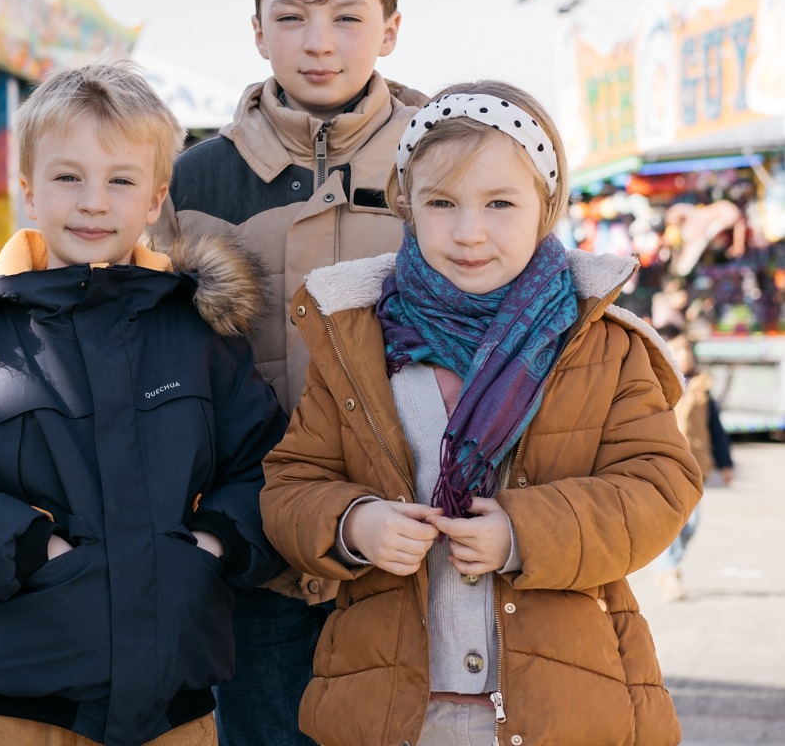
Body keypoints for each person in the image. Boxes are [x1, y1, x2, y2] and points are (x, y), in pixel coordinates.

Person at [259, 80, 703, 745]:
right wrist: (354, 524)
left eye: (499, 203)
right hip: (392, 710)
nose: (469, 232)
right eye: (442, 203)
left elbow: (659, 486)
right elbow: (292, 485)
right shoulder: (359, 342)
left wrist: (527, 531)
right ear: (408, 204)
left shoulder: (603, 346)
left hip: (561, 706)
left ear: (544, 207)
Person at [0, 61, 286, 746]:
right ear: (29, 191)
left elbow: (267, 468)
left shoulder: (198, 332)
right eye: (68, 177)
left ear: (156, 198)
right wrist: (32, 548)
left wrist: (214, 542)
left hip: (177, 708)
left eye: (121, 181)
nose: (94, 202)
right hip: (27, 709)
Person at [147, 0, 427, 746]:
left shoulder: (442, 164)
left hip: (408, 551)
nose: (320, 41)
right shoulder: (194, 181)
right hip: (258, 558)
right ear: (257, 30)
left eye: (348, 17)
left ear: (390, 31)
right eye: (292, 15)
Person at [654, 322, 735, 601]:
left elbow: (716, 429)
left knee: (692, 523)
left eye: (687, 348)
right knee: (672, 523)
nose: (685, 354)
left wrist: (725, 464)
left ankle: (670, 563)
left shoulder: (702, 387)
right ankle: (669, 571)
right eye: (677, 349)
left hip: (695, 467)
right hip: (665, 465)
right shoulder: (656, 383)